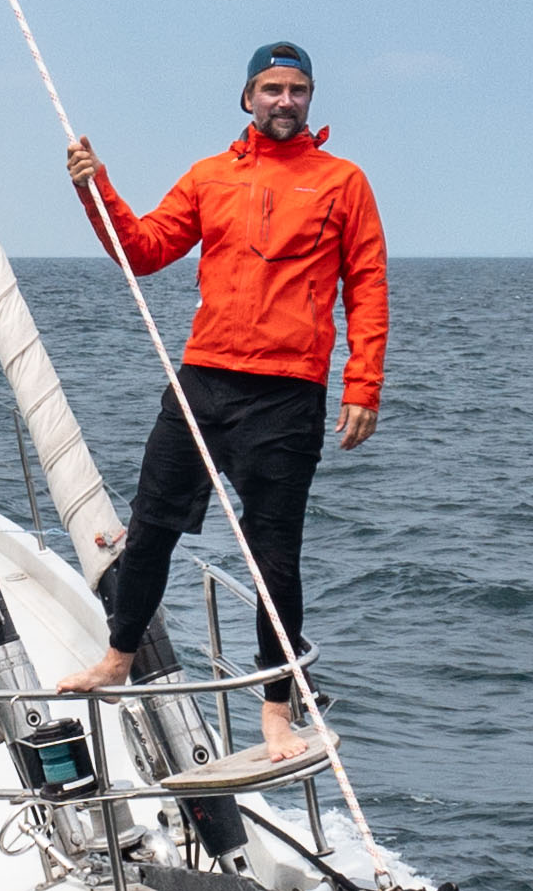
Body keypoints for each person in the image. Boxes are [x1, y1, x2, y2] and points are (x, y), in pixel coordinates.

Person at [57, 40, 386, 747]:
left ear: (309, 100)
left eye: (297, 90)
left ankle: (275, 705)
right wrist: (96, 188)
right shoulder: (210, 177)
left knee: (274, 554)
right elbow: (141, 251)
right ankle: (118, 657)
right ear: (247, 98)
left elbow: (366, 286)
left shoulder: (343, 182)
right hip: (203, 380)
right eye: (271, 89)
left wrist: (363, 383)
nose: (284, 101)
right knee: (149, 530)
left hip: (286, 395)